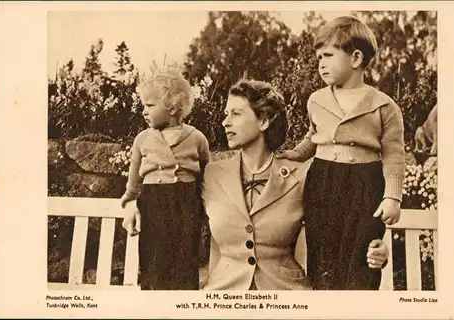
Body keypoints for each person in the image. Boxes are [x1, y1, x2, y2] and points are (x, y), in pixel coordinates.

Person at [201, 79, 389, 290]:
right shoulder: (212, 174)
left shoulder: (301, 176)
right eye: (226, 114)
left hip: (287, 295)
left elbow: (342, 223)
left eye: (236, 114)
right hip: (224, 297)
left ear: (264, 121)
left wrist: (376, 247)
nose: (225, 122)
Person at [279, 16, 406, 290]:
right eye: (318, 57)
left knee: (362, 259)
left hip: (365, 185)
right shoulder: (317, 100)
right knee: (323, 255)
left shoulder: (384, 106)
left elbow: (394, 154)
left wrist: (392, 196)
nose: (320, 63)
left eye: (327, 55)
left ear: (356, 58)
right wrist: (297, 154)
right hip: (323, 181)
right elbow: (313, 137)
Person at [120, 66, 210, 290]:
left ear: (172, 106)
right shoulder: (142, 140)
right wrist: (130, 203)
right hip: (153, 204)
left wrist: (207, 207)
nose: (143, 110)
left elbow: (208, 177)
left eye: (149, 105)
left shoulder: (197, 138)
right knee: (154, 261)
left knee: (184, 261)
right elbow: (134, 181)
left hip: (186, 204)